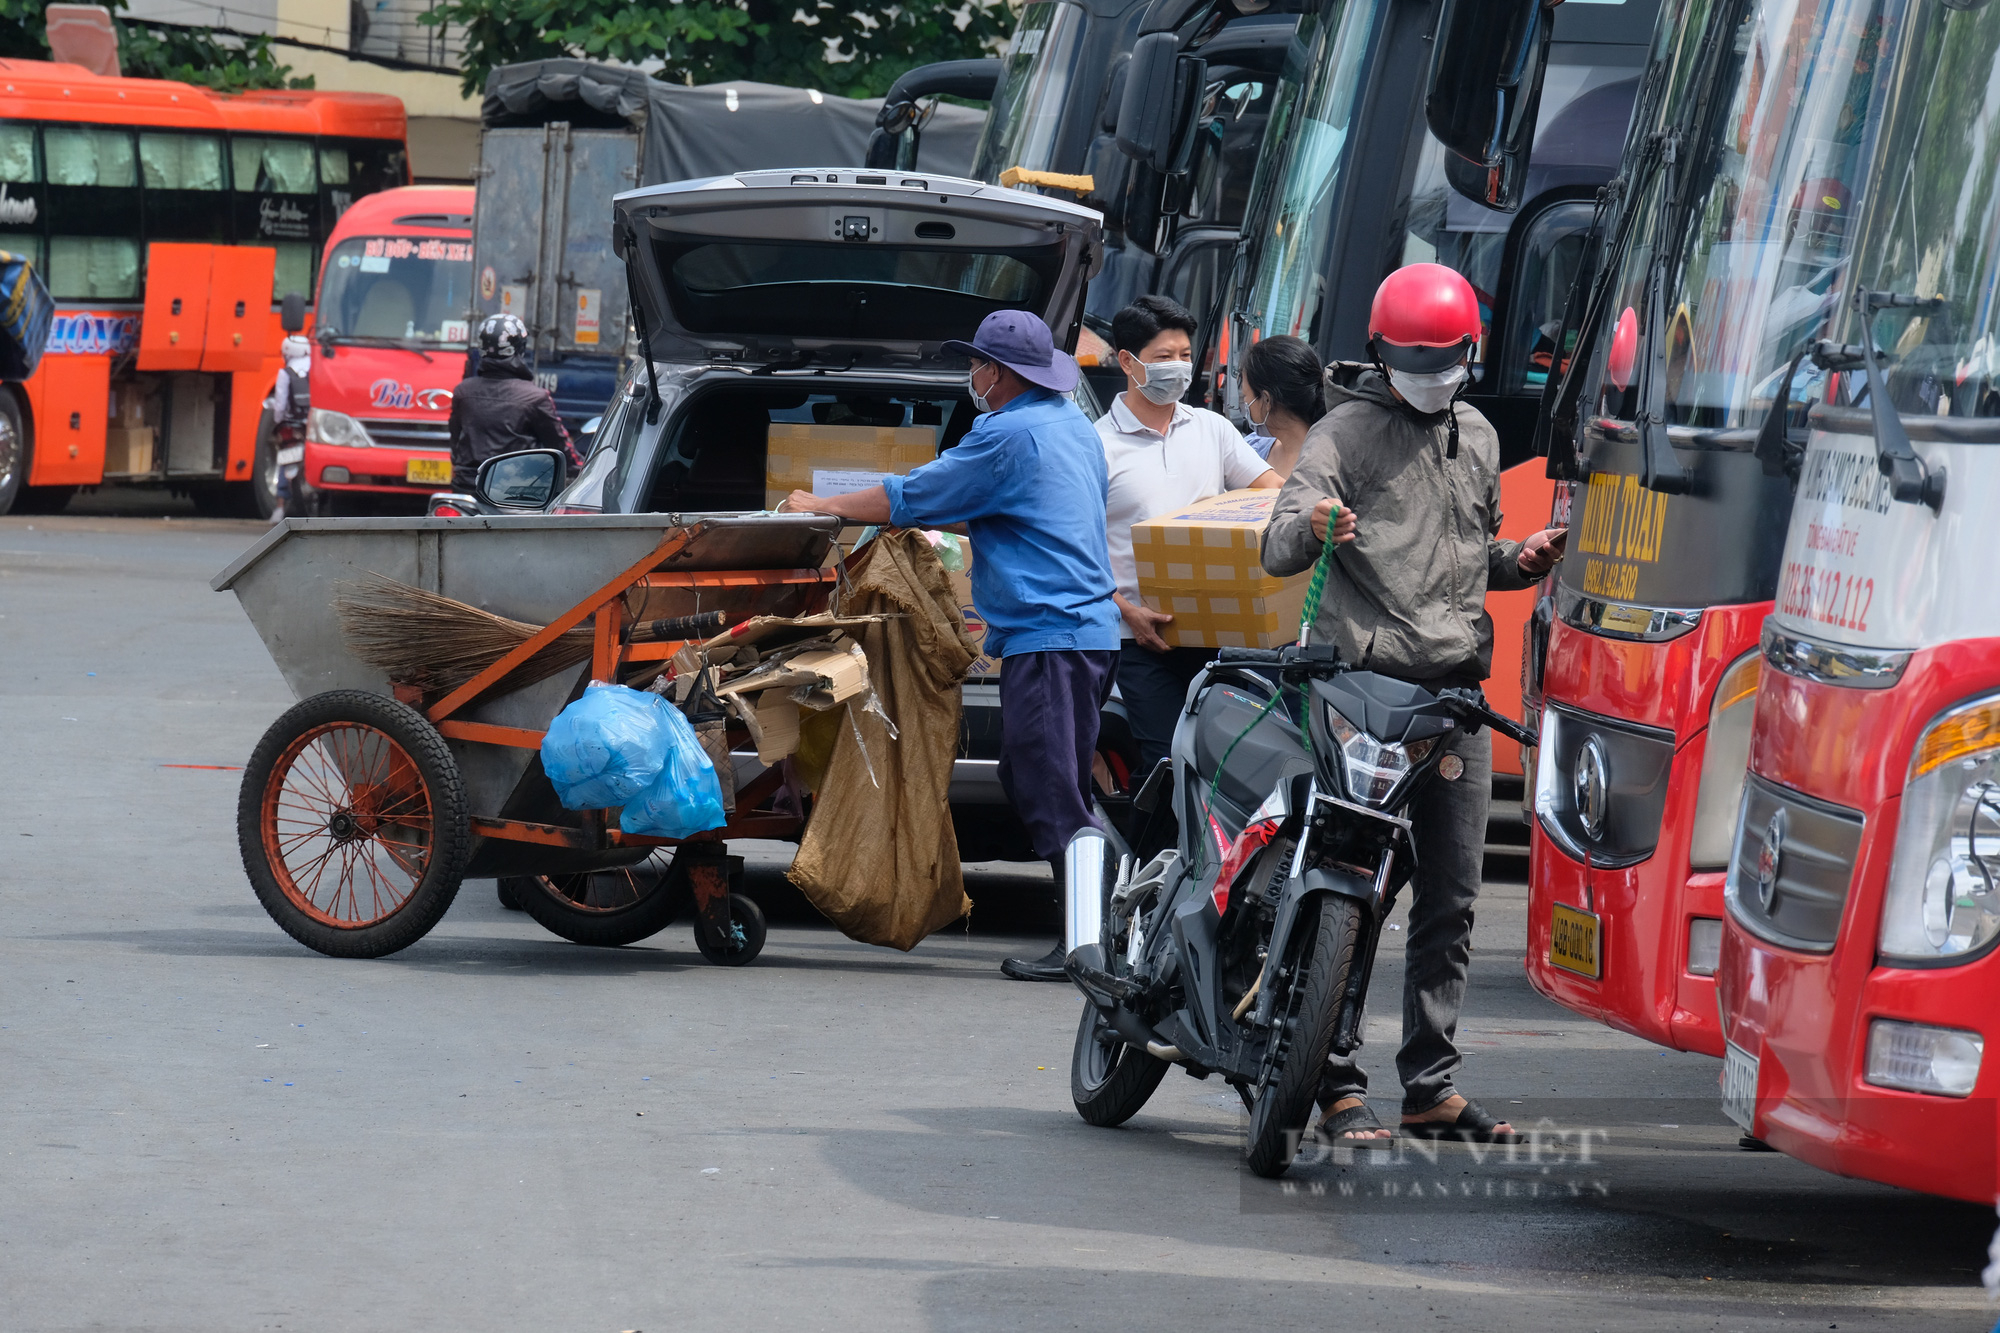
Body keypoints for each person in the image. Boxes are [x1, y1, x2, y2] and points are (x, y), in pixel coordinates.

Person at [1261, 262, 1565, 1146]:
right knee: (1354, 888)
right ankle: (1334, 1079)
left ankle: (1430, 1084)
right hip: (1365, 692)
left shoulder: (1475, 432)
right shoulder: (1342, 434)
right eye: (1414, 357)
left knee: (1453, 898)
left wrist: (1524, 559)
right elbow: (1279, 540)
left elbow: (1474, 559)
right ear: (1379, 352)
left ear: (1471, 351)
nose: (1432, 372)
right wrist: (1317, 524)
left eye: (1447, 357)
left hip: (1453, 701)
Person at [780, 309, 1121, 982]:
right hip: (1081, 633)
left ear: (995, 372)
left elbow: (918, 492)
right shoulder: (1071, 426)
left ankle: (1093, 945)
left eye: (975, 366)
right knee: (1039, 777)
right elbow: (995, 502)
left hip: (1052, 636)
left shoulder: (1007, 434)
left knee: (1050, 787)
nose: (971, 377)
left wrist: (821, 505)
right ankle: (1109, 921)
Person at [1097, 296, 1283, 777]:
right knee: (1165, 762)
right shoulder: (1097, 445)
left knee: (1224, 763)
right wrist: (1126, 610)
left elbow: (1272, 494)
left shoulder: (1210, 428)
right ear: (1127, 361)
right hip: (1139, 638)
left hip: (1218, 632)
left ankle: (1209, 856)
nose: (1178, 368)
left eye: (1184, 356)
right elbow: (1077, 547)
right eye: (1163, 358)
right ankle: (1145, 853)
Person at [448, 313, 581, 491]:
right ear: (520, 349)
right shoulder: (535, 397)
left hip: (465, 488)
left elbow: (455, 445)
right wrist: (585, 471)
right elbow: (561, 449)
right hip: (515, 494)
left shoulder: (462, 392)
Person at [1239, 335, 1324, 480]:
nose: (1246, 405)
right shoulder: (1253, 447)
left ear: (1266, 400)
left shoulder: (1327, 466)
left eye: (1246, 396)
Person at [264, 332, 311, 521]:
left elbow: (280, 405)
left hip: (292, 426)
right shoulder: (317, 369)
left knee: (285, 460)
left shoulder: (285, 373)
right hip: (313, 424)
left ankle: (280, 507)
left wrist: (278, 421)